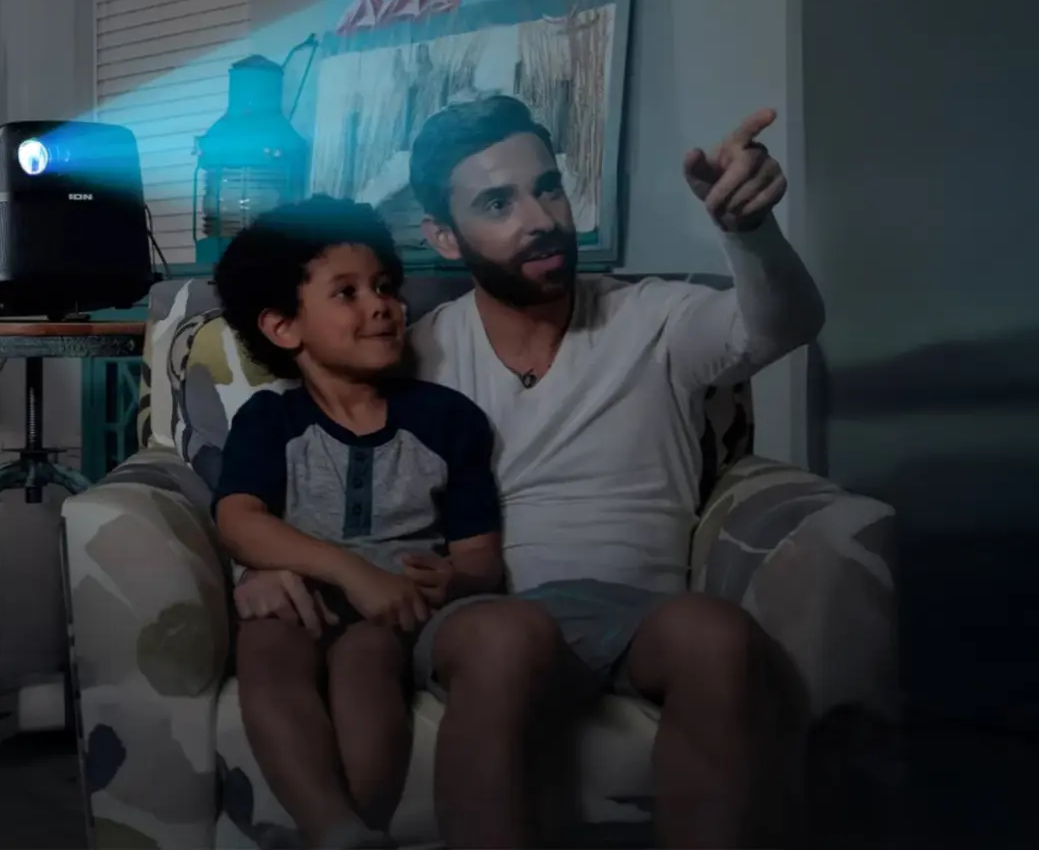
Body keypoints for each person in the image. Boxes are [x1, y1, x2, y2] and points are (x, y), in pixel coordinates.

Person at [236, 95, 825, 849]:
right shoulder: (410, 354)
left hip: (634, 614)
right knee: (509, 636)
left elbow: (784, 325)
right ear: (444, 237)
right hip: (479, 618)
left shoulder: (655, 319)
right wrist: (255, 561)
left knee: (720, 636)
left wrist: (749, 228)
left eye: (547, 188)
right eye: (497, 202)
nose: (539, 218)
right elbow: (306, 449)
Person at [212, 197, 506, 850]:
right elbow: (238, 520)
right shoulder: (270, 421)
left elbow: (482, 558)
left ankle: (356, 830)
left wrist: (451, 582)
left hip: (394, 615)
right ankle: (332, 826)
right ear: (285, 327)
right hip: (298, 599)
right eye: (346, 292)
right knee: (266, 643)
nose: (382, 305)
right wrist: (347, 571)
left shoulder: (448, 421)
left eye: (385, 287)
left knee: (367, 660)